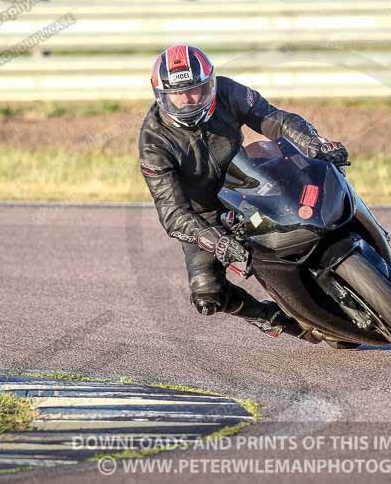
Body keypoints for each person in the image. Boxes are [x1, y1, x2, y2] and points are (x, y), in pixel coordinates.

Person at [139, 45, 348, 339]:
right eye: (177, 94)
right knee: (207, 294)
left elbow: (274, 119)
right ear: (161, 96)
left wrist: (314, 143)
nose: (187, 100)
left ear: (210, 84)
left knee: (321, 178)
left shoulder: (227, 91)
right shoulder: (153, 142)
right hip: (207, 215)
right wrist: (213, 240)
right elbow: (172, 210)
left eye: (195, 90)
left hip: (249, 180)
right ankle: (271, 317)